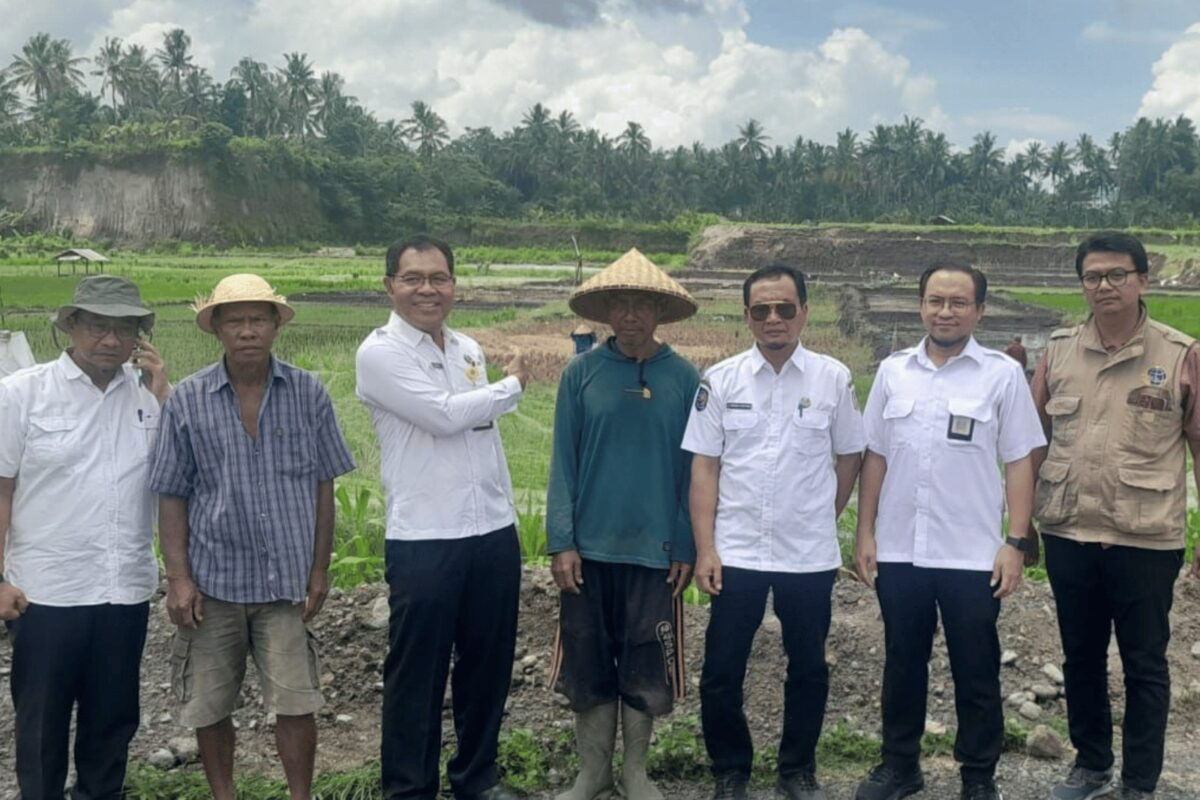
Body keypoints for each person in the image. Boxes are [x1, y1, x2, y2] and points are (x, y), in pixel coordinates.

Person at [149, 274, 355, 800]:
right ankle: (225, 796)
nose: (247, 331)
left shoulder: (307, 392)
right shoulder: (188, 401)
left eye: (257, 319)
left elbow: (322, 487)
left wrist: (319, 570)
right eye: (234, 320)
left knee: (296, 701)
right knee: (210, 704)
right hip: (214, 583)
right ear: (216, 327)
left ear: (275, 327)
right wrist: (178, 580)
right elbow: (171, 495)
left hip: (284, 584)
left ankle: (299, 795)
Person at [853, 263, 1045, 800]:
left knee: (976, 668)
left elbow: (1019, 461)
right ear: (920, 306)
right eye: (936, 300)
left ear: (979, 311)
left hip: (973, 555)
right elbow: (876, 458)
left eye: (958, 302)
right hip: (900, 549)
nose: (945, 311)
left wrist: (1016, 541)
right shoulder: (893, 372)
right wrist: (865, 533)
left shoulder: (1002, 376)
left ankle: (978, 776)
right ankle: (900, 766)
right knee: (902, 663)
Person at [356, 234, 529, 800]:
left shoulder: (468, 350)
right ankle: (408, 790)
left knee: (487, 666)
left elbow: (484, 438)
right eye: (413, 278)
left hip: (490, 532)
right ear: (390, 286)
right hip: (427, 538)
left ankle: (476, 779)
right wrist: (513, 386)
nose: (427, 289)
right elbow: (444, 416)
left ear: (454, 285)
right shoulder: (380, 353)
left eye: (439, 278)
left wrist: (506, 517)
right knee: (417, 676)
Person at [683, 264, 865, 800]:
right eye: (761, 310)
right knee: (720, 669)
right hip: (736, 551)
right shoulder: (720, 380)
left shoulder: (833, 378)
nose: (774, 318)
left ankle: (796, 770)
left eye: (785, 308)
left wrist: (823, 515)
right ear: (747, 317)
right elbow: (705, 468)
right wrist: (706, 548)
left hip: (806, 555)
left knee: (808, 666)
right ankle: (731, 770)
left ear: (804, 312)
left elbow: (850, 455)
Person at [1031, 232, 1200, 800]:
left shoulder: (1181, 355)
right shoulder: (1057, 352)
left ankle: (1140, 781)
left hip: (1145, 538)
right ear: (1081, 284)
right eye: (1092, 277)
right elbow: (1032, 444)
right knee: (1080, 656)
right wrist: (1018, 528)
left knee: (1144, 663)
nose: (1104, 286)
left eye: (1117, 275)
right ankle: (1091, 764)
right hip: (1067, 530)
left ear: (1143, 280)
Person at [0, 275, 168, 800]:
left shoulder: (149, 402)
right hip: (45, 594)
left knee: (113, 725)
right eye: (98, 325)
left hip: (124, 593)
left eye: (124, 328)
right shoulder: (21, 394)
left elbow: (170, 491)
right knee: (41, 730)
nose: (111, 340)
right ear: (70, 325)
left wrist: (160, 393)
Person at [546, 248, 700, 800]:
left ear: (659, 312)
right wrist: (562, 541)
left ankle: (635, 771)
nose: (631, 315)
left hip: (655, 552)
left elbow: (695, 470)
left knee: (645, 660)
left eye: (642, 305)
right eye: (621, 305)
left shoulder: (684, 379)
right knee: (587, 660)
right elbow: (562, 462)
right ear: (606, 311)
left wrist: (685, 542)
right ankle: (593, 773)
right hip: (589, 551)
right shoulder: (581, 374)